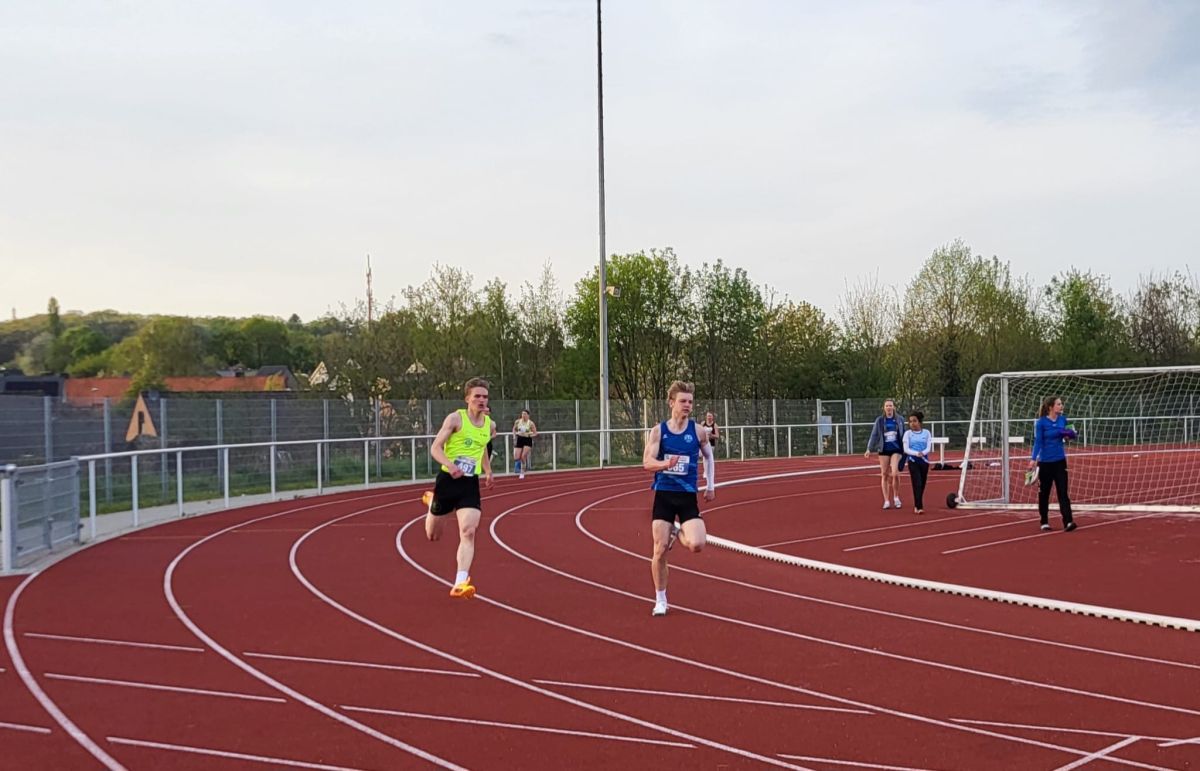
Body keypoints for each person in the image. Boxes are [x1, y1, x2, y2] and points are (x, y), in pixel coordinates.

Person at [642, 381, 716, 617]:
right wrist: (665, 464)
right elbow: (647, 463)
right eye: (683, 401)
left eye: (690, 402)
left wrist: (710, 484)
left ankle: (677, 532)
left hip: (687, 497)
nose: (687, 405)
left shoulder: (698, 431)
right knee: (660, 550)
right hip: (664, 495)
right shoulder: (659, 431)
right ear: (672, 402)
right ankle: (660, 599)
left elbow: (709, 457)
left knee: (697, 544)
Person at [425, 378, 496, 598]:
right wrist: (450, 464)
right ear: (467, 399)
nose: (481, 400)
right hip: (448, 480)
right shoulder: (456, 419)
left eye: (484, 396)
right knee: (433, 535)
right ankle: (431, 504)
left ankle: (460, 582)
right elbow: (435, 448)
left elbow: (482, 447)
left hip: (469, 484)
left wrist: (487, 470)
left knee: (469, 530)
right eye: (477, 396)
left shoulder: (490, 425)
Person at [1029, 395, 1077, 532]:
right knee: (1044, 493)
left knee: (1063, 492)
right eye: (1058, 404)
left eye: (1061, 404)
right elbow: (1038, 441)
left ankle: (1068, 521)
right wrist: (1033, 459)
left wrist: (1069, 435)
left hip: (1060, 461)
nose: (1061, 406)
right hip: (1045, 463)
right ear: (1051, 407)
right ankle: (1044, 521)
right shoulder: (1041, 423)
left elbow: (1069, 436)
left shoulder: (1063, 419)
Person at [864, 399, 904, 509]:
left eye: (890, 405)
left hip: (896, 449)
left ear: (894, 407)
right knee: (885, 474)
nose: (889, 408)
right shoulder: (880, 420)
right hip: (883, 449)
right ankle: (886, 500)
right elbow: (874, 435)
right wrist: (869, 449)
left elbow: (904, 434)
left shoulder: (899, 419)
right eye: (887, 406)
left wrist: (907, 448)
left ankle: (896, 497)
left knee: (895, 473)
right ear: (884, 408)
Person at [902, 411, 932, 514]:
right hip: (913, 461)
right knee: (917, 483)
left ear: (919, 422)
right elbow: (906, 449)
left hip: (924, 461)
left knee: (922, 484)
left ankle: (917, 502)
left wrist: (922, 453)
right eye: (910, 422)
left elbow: (928, 447)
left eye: (914, 421)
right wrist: (916, 453)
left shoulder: (927, 433)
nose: (912, 424)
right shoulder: (907, 434)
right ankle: (918, 506)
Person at [512, 409, 538, 480]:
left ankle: (522, 472)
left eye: (525, 414)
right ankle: (523, 465)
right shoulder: (518, 421)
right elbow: (514, 429)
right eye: (522, 414)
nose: (523, 415)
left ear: (528, 415)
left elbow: (535, 433)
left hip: (527, 440)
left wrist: (529, 435)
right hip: (519, 439)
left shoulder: (531, 423)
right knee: (516, 457)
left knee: (523, 456)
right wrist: (514, 437)